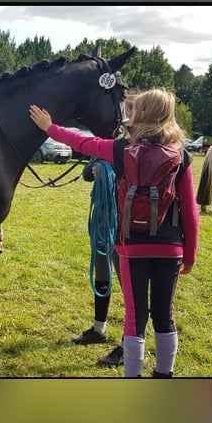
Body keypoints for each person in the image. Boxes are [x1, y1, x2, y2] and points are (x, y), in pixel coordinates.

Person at [30, 89, 199, 377]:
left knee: (135, 317)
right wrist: (190, 255)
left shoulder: (121, 150)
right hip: (170, 247)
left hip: (130, 246)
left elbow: (82, 142)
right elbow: (191, 214)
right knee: (164, 315)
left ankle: (132, 377)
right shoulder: (181, 156)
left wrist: (50, 128)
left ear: (140, 113)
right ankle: (164, 375)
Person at [73, 93, 139, 367]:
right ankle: (99, 328)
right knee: (102, 271)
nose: (124, 120)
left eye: (128, 114)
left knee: (129, 285)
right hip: (102, 221)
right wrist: (97, 168)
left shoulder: (138, 149)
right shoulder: (113, 145)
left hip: (125, 226)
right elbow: (87, 172)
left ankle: (130, 343)